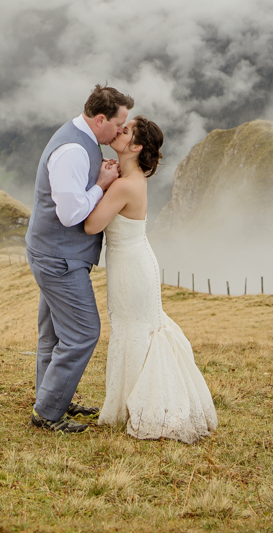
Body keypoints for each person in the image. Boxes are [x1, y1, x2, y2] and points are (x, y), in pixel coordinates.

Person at [84, 116, 217, 443]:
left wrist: (101, 182)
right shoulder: (132, 177)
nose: (119, 131)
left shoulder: (125, 184)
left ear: (136, 146)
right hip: (136, 260)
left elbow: (91, 225)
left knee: (133, 330)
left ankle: (144, 407)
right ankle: (137, 404)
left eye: (126, 131)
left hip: (130, 267)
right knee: (139, 327)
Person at [24, 84, 132, 433]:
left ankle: (51, 397)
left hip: (53, 252)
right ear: (101, 119)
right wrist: (101, 184)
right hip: (59, 258)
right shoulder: (73, 150)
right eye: (118, 124)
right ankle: (48, 413)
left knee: (53, 333)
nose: (120, 131)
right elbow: (70, 215)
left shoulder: (82, 140)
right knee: (84, 332)